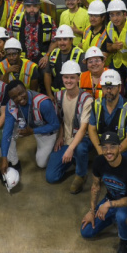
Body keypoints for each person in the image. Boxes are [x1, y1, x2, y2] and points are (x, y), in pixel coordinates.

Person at [80, 131, 127, 253]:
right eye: (105, 147)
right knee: (86, 232)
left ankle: (124, 243)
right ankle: (114, 219)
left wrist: (108, 205)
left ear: (120, 148)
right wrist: (92, 211)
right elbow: (95, 187)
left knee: (121, 215)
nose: (108, 151)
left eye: (112, 146)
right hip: (111, 198)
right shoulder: (99, 162)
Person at [46, 61, 94, 192]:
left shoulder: (86, 99)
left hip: (83, 139)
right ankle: (75, 159)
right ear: (62, 78)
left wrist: (70, 148)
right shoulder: (59, 95)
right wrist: (60, 136)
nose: (69, 80)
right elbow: (61, 120)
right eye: (66, 77)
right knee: (51, 177)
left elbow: (83, 128)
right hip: (66, 139)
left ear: (78, 78)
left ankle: (81, 174)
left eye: (72, 77)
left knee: (80, 147)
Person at [0, 79, 60, 175]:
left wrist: (33, 131)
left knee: (41, 163)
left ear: (25, 88)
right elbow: (7, 132)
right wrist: (4, 158)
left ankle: (57, 149)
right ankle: (14, 163)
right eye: (14, 97)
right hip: (30, 127)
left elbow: (55, 125)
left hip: (47, 131)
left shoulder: (43, 102)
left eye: (21, 93)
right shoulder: (10, 105)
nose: (19, 98)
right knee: (7, 133)